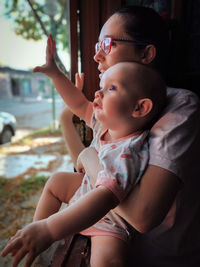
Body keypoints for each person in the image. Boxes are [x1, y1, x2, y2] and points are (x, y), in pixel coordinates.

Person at [0, 32, 167, 266]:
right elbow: (77, 102)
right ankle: (32, 238)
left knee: (107, 261)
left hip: (108, 220)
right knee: (57, 181)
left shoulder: (131, 149)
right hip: (84, 194)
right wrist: (55, 73)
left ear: (139, 108)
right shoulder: (102, 123)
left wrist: (49, 229)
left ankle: (41, 233)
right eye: (101, 86)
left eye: (111, 89)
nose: (97, 93)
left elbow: (106, 197)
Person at [59, 5, 200, 267]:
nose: (97, 57)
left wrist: (89, 156)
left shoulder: (180, 105)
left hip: (157, 259)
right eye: (96, 46)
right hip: (111, 242)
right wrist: (65, 120)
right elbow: (88, 183)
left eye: (107, 44)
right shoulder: (117, 109)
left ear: (146, 53)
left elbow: (141, 215)